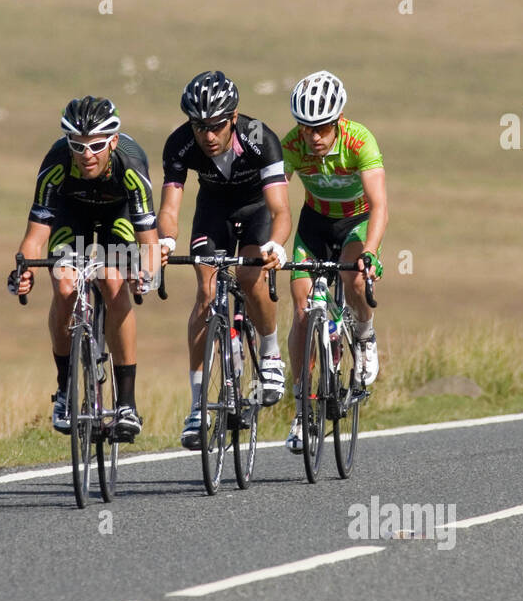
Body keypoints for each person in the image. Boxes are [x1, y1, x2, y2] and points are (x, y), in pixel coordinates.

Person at [8, 97, 160, 441]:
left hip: (116, 215)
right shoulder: (57, 163)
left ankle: (126, 403)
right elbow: (35, 237)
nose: (86, 154)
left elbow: (149, 242)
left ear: (114, 141)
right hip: (71, 213)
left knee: (112, 279)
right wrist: (24, 271)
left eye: (96, 145)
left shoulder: (131, 165)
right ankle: (64, 390)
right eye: (77, 145)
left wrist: (145, 275)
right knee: (63, 287)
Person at [156, 71, 290, 451]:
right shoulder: (180, 145)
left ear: (233, 117)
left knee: (250, 277)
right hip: (212, 211)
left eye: (216, 125)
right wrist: (166, 239)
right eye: (199, 126)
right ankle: (199, 406)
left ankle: (269, 355)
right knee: (205, 290)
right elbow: (170, 207)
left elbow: (281, 209)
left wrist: (277, 245)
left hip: (257, 210)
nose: (208, 136)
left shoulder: (261, 138)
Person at [281, 70, 386, 454]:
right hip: (315, 224)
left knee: (355, 281)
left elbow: (380, 206)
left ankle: (364, 333)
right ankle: (301, 412)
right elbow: (274, 200)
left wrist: (371, 252)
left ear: (338, 121)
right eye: (307, 128)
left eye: (323, 128)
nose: (315, 137)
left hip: (355, 224)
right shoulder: (291, 145)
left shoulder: (360, 141)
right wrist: (271, 245)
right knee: (303, 310)